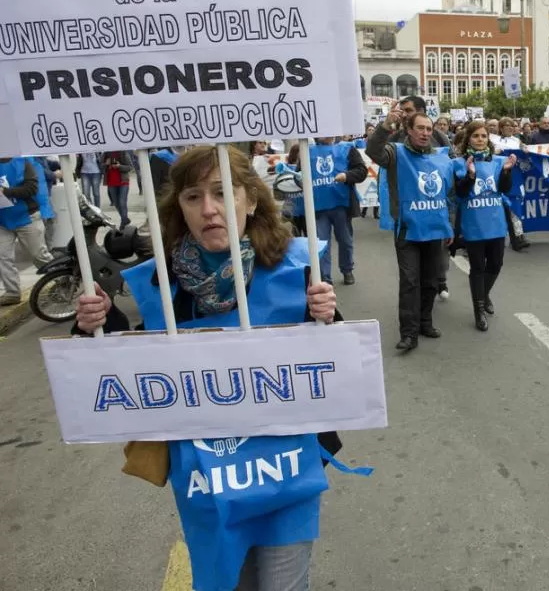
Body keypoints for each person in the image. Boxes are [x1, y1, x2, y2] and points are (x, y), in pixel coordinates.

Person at [73, 145, 363, 591]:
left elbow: (335, 372)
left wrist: (327, 318)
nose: (209, 209)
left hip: (286, 471)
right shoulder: (161, 281)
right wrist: (98, 323)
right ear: (180, 209)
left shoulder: (297, 267)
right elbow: (131, 370)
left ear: (250, 199)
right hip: (209, 479)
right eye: (193, 197)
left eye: (221, 192)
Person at [367, 104, 460, 352]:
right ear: (408, 130)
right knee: (410, 282)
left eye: (429, 129)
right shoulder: (395, 154)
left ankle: (425, 323)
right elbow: (373, 151)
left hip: (435, 230)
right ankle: (408, 333)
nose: (425, 133)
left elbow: (450, 195)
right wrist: (385, 126)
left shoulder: (442, 156)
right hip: (408, 230)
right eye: (420, 128)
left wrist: (450, 226)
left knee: (431, 281)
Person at [453, 121, 516, 331]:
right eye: (476, 136)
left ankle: (484, 293)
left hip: (496, 223)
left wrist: (507, 172)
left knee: (496, 265)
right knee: (478, 268)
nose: (480, 140)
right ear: (468, 139)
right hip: (474, 224)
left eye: (484, 136)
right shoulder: (459, 163)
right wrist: (470, 175)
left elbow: (505, 189)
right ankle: (478, 309)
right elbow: (460, 194)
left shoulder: (499, 161)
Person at [302, 136, 368, 285]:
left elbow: (362, 170)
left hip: (341, 205)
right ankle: (325, 277)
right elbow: (299, 175)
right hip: (318, 207)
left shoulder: (347, 148)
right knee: (321, 244)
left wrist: (347, 176)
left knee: (345, 241)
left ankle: (347, 269)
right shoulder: (306, 150)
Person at [0, 157, 55, 305]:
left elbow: (31, 188)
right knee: (3, 257)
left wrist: (5, 191)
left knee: (39, 254)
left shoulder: (22, 163)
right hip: (2, 221)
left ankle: (61, 280)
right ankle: (12, 292)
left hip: (27, 217)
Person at [491, 117, 531, 252]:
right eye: (506, 125)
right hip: (501, 177)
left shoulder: (516, 141)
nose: (509, 128)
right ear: (501, 128)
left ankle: (519, 236)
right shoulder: (494, 141)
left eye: (511, 125)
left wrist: (525, 149)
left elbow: (525, 150)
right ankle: (503, 237)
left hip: (516, 178)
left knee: (516, 206)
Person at [103, 151, 134, 228]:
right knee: (116, 203)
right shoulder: (106, 154)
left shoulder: (123, 153)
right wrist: (106, 164)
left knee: (122, 202)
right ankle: (125, 219)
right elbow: (100, 167)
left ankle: (123, 223)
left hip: (123, 182)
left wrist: (119, 166)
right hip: (111, 182)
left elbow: (130, 167)